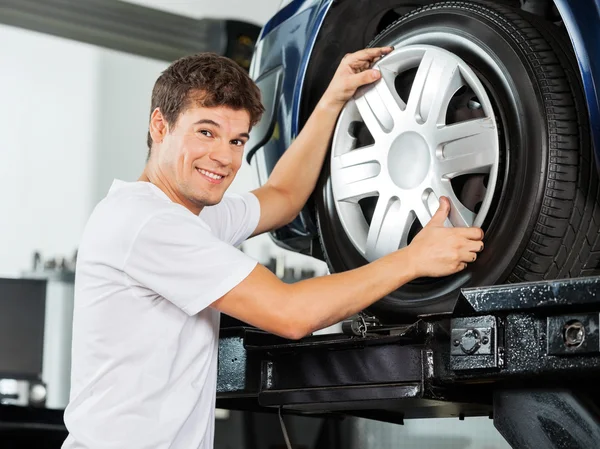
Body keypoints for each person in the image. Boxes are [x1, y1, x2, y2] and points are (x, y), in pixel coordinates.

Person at [62, 48, 484, 449]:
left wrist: (332, 100)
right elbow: (290, 313)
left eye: (237, 141)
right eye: (206, 132)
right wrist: (411, 260)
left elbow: (283, 196)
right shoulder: (148, 224)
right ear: (160, 125)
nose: (223, 157)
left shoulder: (188, 216)